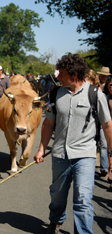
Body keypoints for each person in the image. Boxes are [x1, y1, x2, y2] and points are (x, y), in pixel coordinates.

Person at [34, 53, 112, 234]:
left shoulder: (95, 94)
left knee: (83, 199)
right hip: (60, 154)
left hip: (85, 155)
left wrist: (110, 152)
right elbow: (49, 123)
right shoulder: (56, 93)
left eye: (61, 74)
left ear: (74, 75)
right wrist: (41, 149)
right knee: (57, 195)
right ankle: (56, 219)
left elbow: (107, 125)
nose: (58, 77)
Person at [102, 77, 112, 191]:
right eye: (109, 86)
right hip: (109, 127)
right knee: (109, 151)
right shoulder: (106, 98)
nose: (111, 88)